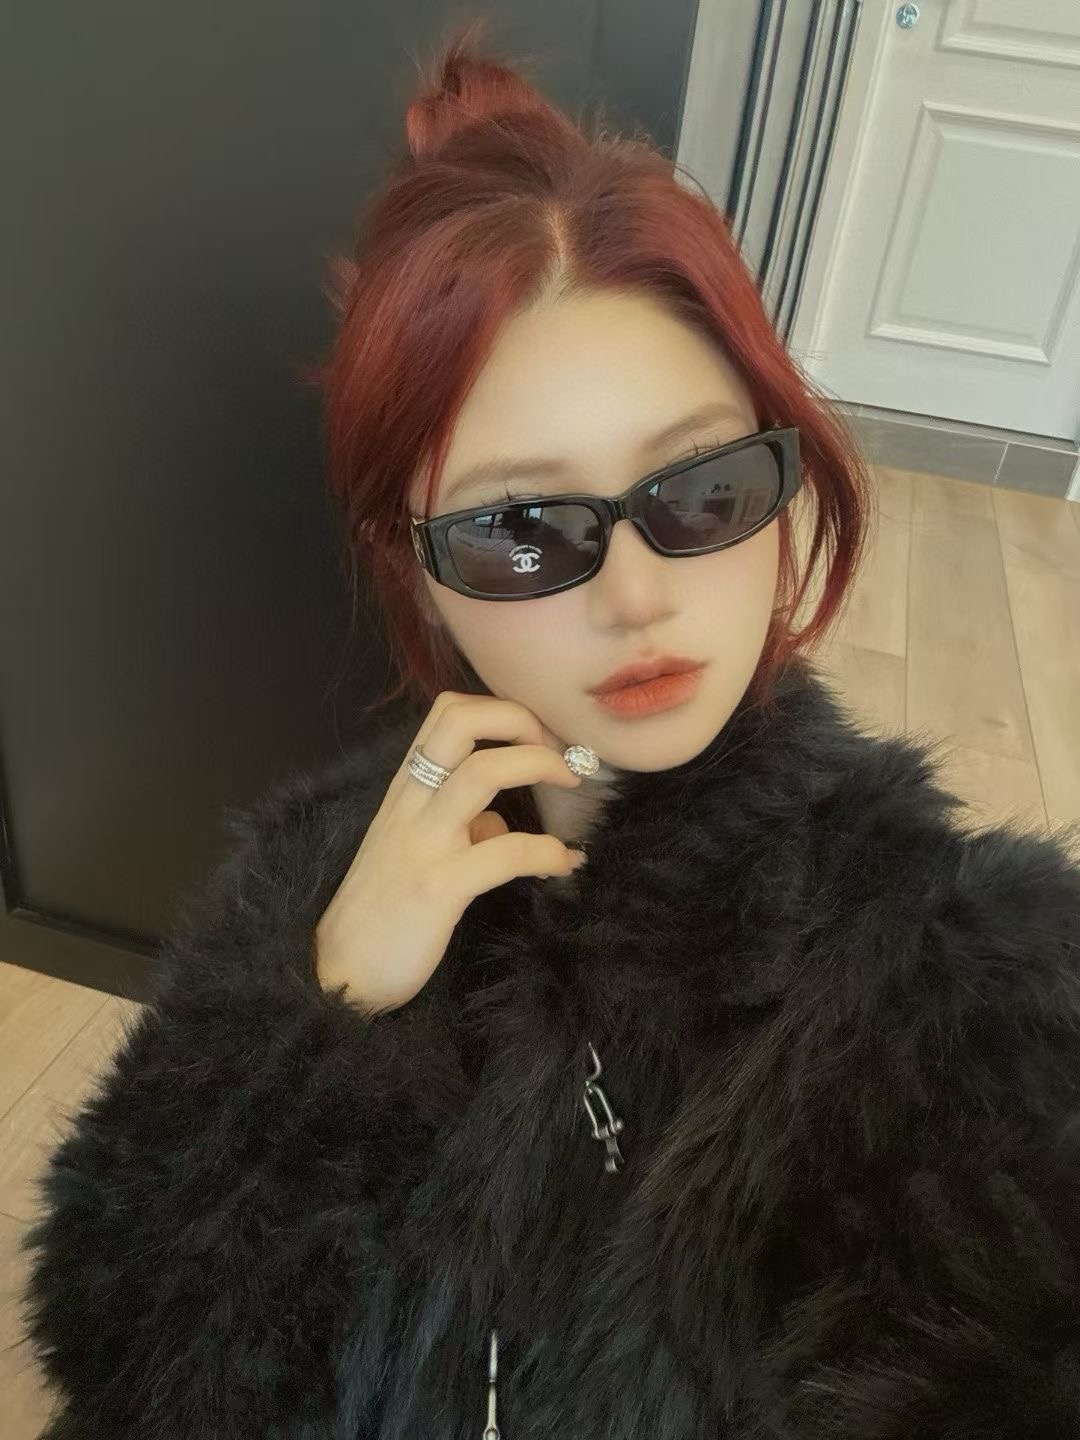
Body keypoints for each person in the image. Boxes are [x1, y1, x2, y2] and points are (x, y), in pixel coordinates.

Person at [19, 21, 1080, 1440]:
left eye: (702, 489)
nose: (636, 596)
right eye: (522, 529)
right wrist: (325, 1016)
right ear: (413, 566)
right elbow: (131, 1358)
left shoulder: (971, 986)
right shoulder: (313, 881)